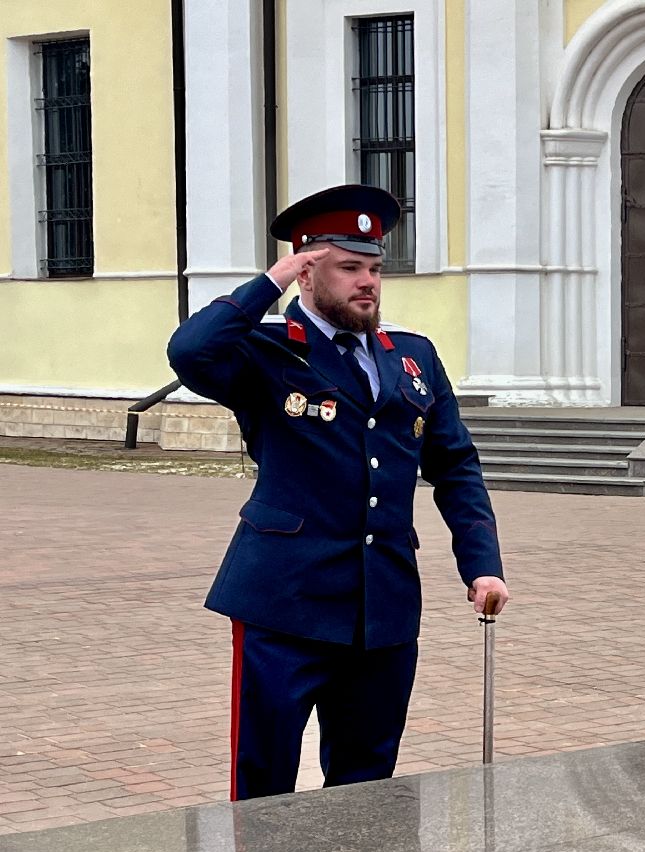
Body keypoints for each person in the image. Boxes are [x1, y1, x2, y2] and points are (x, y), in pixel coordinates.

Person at [168, 183, 508, 801]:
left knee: (368, 782)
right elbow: (189, 352)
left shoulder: (412, 357)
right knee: (265, 781)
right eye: (348, 267)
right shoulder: (264, 352)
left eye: (374, 268)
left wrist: (481, 565)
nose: (367, 282)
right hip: (283, 604)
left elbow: (456, 466)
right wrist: (268, 282)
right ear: (306, 272)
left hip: (382, 607)